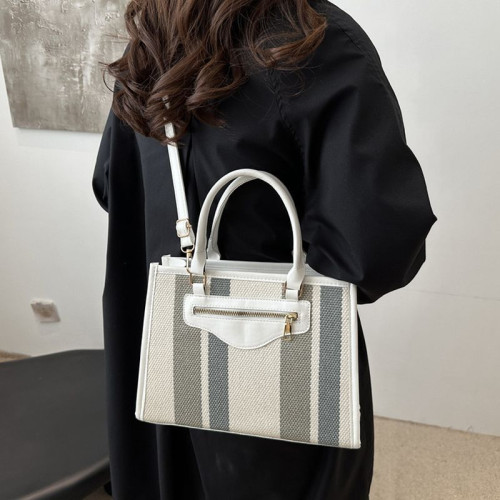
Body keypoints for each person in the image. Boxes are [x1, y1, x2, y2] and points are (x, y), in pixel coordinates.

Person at [92, 0, 437, 498]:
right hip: (281, 365)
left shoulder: (152, 40)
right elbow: (375, 249)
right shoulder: (313, 40)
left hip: (158, 349)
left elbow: (110, 184)